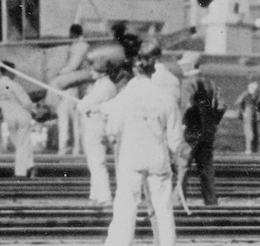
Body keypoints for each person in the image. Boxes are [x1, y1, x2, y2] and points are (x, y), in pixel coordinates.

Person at [103, 53, 184, 246]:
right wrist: (176, 158)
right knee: (163, 208)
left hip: (131, 157)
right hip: (158, 158)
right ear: (153, 71)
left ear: (134, 70)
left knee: (126, 206)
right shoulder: (167, 98)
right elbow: (175, 141)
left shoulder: (124, 97)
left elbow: (112, 131)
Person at [177, 52, 224, 209]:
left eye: (183, 64)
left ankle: (178, 201)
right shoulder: (210, 83)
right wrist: (213, 123)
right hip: (208, 132)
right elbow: (221, 106)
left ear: (191, 65)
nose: (181, 66)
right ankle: (211, 202)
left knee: (183, 166)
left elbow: (187, 106)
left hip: (191, 131)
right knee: (207, 168)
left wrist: (183, 124)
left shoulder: (188, 83)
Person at [80, 65, 123, 205]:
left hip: (97, 124)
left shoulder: (106, 86)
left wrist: (84, 104)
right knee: (94, 161)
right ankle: (95, 194)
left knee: (97, 161)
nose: (91, 72)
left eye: (94, 70)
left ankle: (104, 196)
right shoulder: (100, 84)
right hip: (93, 122)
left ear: (103, 73)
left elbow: (87, 103)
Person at [0, 61, 38, 178]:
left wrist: (3, 103)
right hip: (22, 116)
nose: (15, 74)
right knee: (22, 145)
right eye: (13, 71)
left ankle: (30, 167)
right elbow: (26, 102)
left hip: (9, 118)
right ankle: (20, 173)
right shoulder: (13, 85)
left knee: (19, 144)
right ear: (7, 71)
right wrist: (35, 112)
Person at [51, 24, 92, 155]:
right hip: (74, 84)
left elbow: (73, 65)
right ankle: (74, 147)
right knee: (72, 118)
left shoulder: (80, 46)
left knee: (69, 117)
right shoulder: (79, 45)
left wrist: (60, 74)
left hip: (73, 84)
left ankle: (70, 147)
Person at [235, 81, 260, 154]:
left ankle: (255, 149)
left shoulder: (258, 95)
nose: (254, 89)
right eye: (253, 88)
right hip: (249, 113)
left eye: (256, 88)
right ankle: (248, 148)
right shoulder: (246, 94)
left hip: (255, 115)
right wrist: (243, 112)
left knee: (256, 132)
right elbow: (238, 103)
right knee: (249, 132)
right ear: (249, 88)